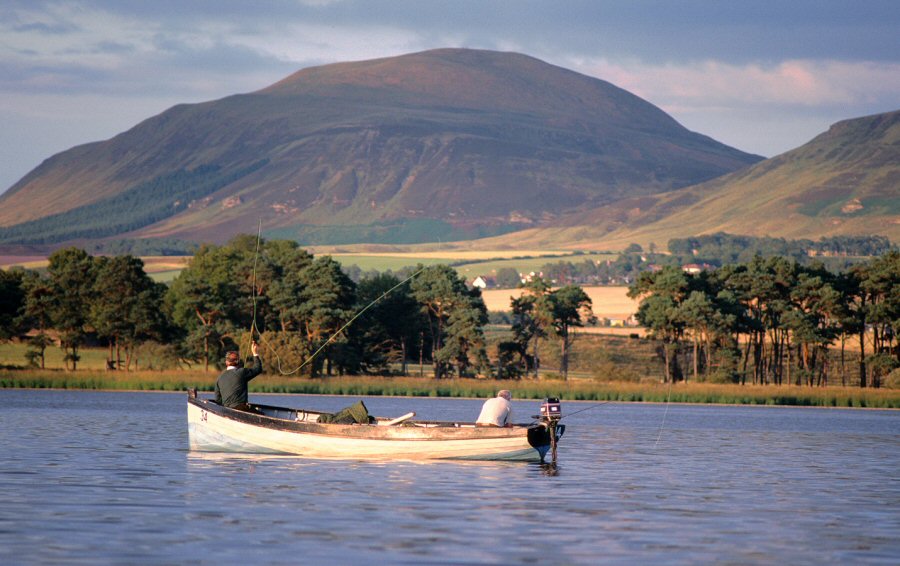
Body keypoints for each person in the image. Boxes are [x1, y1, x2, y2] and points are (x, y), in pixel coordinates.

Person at [214, 341, 263, 411]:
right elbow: (258, 369)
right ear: (238, 362)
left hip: (226, 411)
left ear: (226, 362)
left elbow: (218, 401)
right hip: (242, 409)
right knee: (261, 414)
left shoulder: (219, 378)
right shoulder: (241, 372)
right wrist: (255, 353)